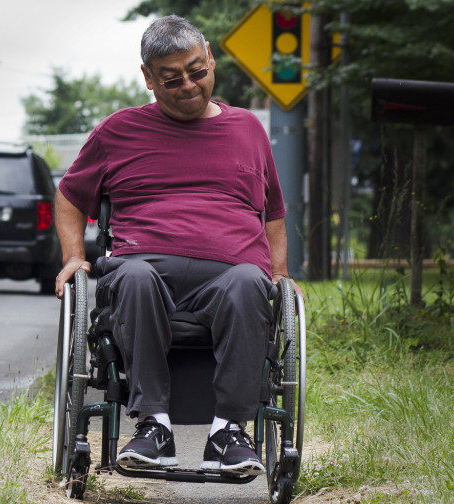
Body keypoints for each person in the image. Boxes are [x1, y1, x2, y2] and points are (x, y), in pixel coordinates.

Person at [53, 14, 299, 477]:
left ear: (210, 58)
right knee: (132, 275)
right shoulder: (117, 132)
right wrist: (74, 257)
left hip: (231, 276)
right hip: (143, 269)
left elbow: (273, 212)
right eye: (171, 78)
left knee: (253, 281)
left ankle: (228, 431)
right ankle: (154, 427)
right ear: (148, 78)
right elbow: (68, 195)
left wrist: (280, 273)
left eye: (197, 71)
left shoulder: (248, 129)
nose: (188, 85)